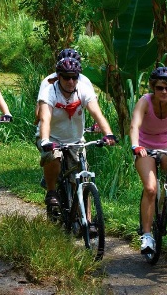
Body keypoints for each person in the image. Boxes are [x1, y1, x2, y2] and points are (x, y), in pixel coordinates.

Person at [37, 57, 116, 211]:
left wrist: (108, 134)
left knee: (82, 180)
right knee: (53, 157)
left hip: (76, 140)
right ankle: (51, 191)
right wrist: (45, 140)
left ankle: (88, 222)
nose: (71, 81)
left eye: (74, 77)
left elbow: (97, 114)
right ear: (58, 77)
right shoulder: (49, 92)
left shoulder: (83, 90)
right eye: (66, 77)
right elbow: (44, 118)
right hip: (52, 138)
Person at [129, 66, 167, 257]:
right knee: (151, 188)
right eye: (160, 87)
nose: (164, 92)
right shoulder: (144, 102)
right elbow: (134, 124)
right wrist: (135, 145)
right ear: (153, 87)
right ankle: (147, 236)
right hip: (145, 147)